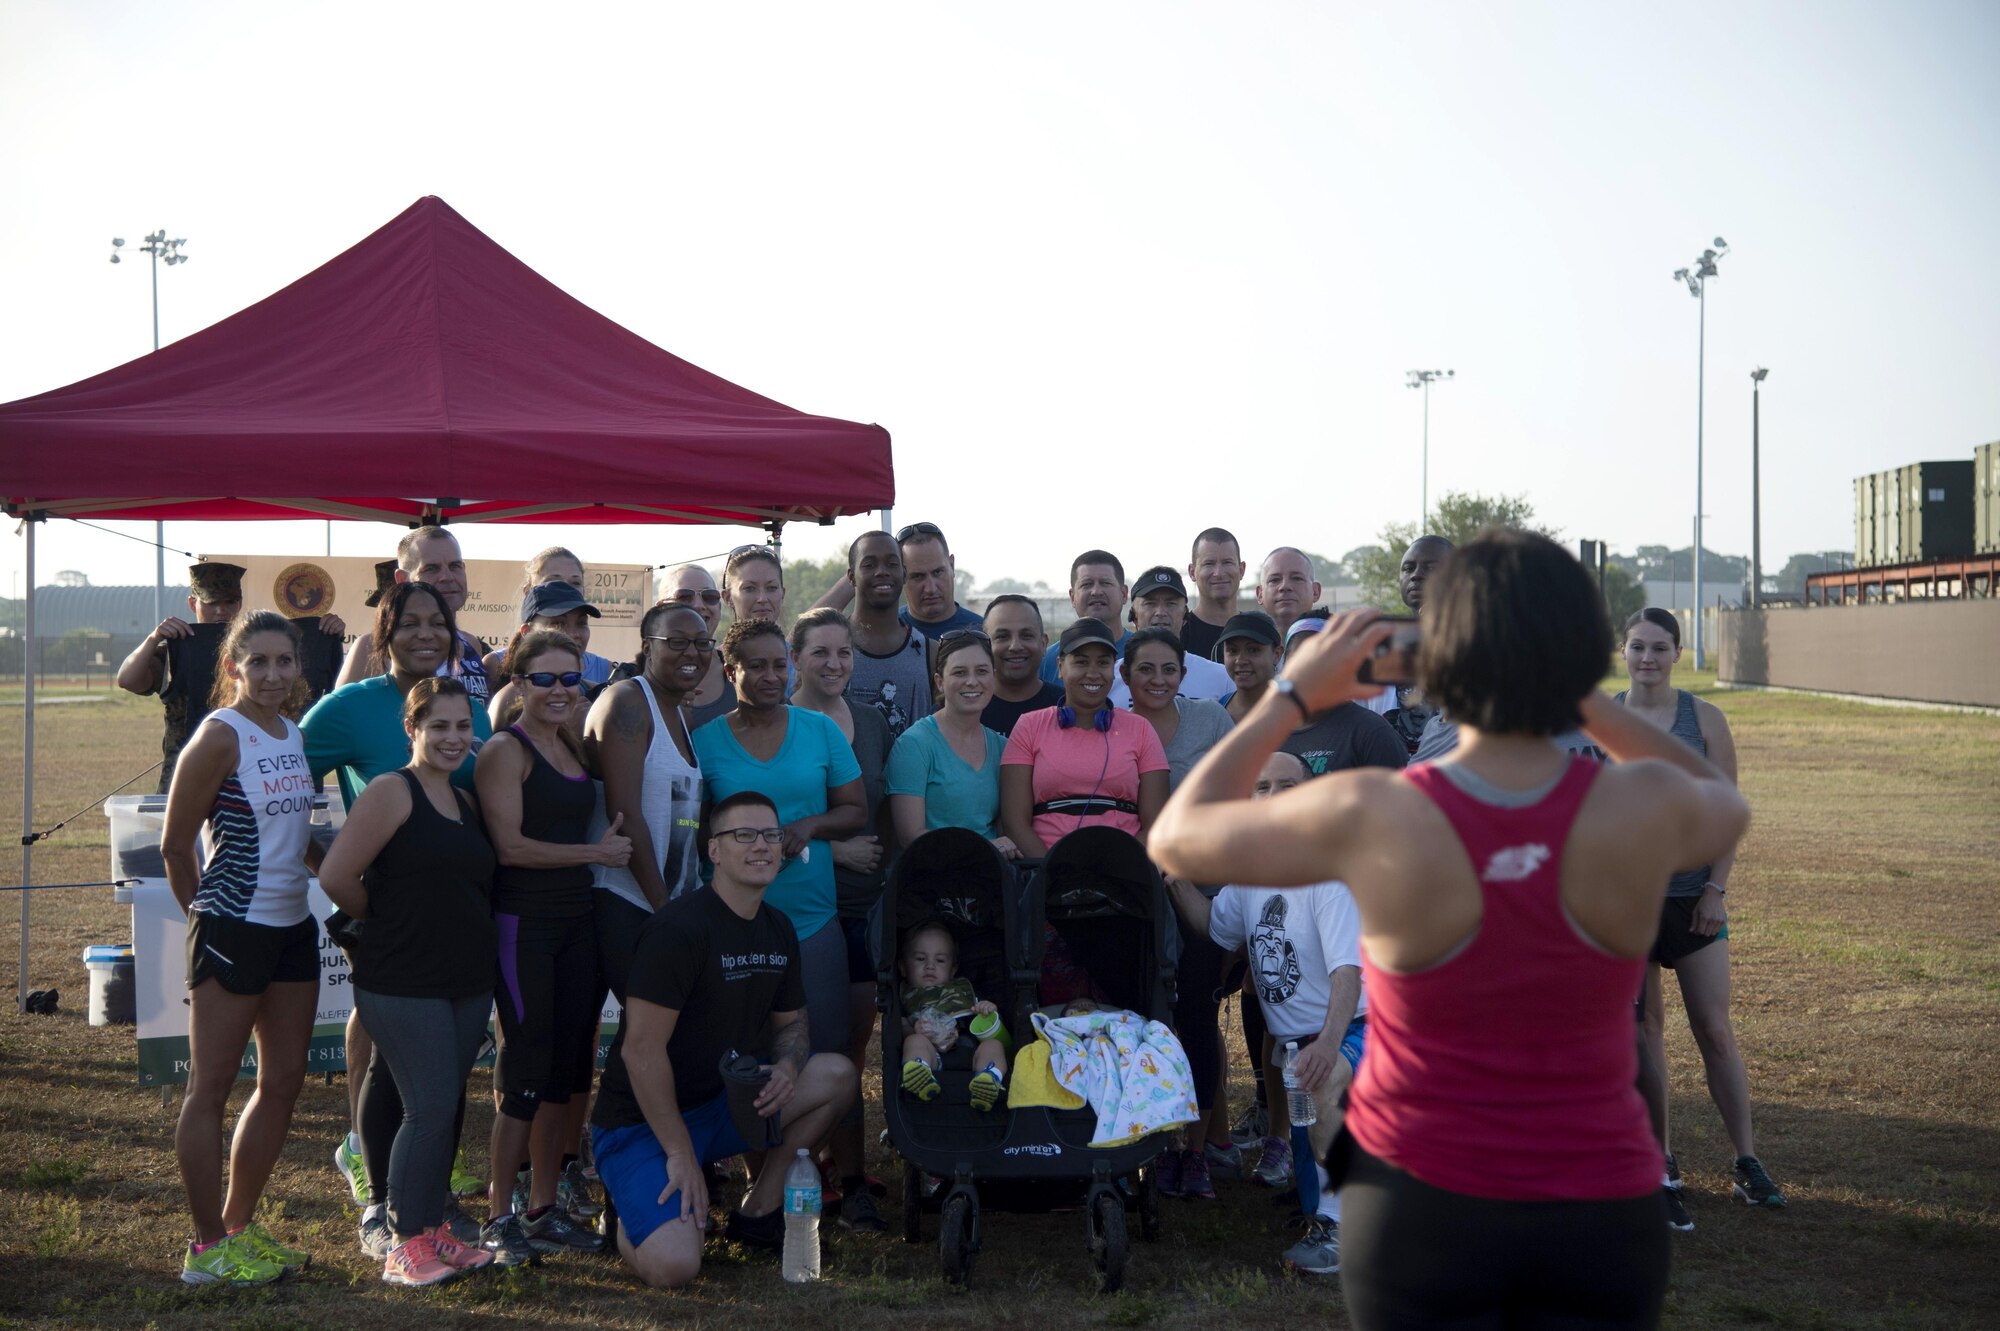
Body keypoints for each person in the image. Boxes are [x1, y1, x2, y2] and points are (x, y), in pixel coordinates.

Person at [1151, 529, 1752, 1329]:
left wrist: (1292, 696)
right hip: (1597, 1199)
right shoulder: (1630, 806)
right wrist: (1580, 693)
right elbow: (1726, 805)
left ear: (1441, 653)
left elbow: (1177, 836)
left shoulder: (1383, 809)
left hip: (1423, 1200)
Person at [589, 791, 860, 1286]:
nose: (762, 846)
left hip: (722, 1106)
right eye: (744, 835)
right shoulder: (678, 929)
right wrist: (678, 1153)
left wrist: (786, 1067)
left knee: (836, 1076)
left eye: (771, 835)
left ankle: (757, 1211)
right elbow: (640, 1050)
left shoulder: (777, 928)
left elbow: (794, 1025)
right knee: (676, 1267)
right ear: (714, 851)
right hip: (643, 1124)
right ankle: (625, 1212)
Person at [303, 581, 492, 1218]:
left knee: (435, 1078)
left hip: (461, 918)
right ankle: (385, 1203)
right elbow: (278, 783)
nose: (423, 634)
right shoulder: (349, 707)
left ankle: (427, 1200)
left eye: (436, 622)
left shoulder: (468, 705)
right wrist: (345, 882)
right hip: (398, 920)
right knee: (399, 1071)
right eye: (407, 622)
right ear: (384, 630)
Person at [160, 611, 321, 1286]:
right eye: (259, 661)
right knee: (211, 1088)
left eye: (284, 661)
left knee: (282, 1081)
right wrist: (207, 919)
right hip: (232, 926)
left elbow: (298, 839)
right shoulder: (219, 735)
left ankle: (236, 1227)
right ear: (233, 667)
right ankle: (204, 1252)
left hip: (292, 929)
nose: (274, 674)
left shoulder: (290, 729)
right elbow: (175, 845)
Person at [1166, 750, 1364, 1276]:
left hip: (1358, 1033)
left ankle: (1347, 1236)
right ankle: (1332, 1216)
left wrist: (1328, 1045)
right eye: (1261, 787)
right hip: (1296, 1046)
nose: (1273, 798)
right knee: (1308, 1175)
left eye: (1286, 786)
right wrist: (1175, 878)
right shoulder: (1251, 874)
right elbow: (1215, 927)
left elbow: (1349, 971)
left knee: (1324, 1086)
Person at [1617, 607, 1784, 1223]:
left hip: (1695, 901)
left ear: (1678, 652)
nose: (1648, 658)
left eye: (1660, 647)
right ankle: (1661, 1160)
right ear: (1624, 650)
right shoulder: (1603, 720)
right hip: (1627, 905)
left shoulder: (1703, 719)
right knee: (1644, 1034)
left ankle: (1746, 1162)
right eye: (1637, 647)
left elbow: (1727, 809)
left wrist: (1717, 890)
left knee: (1714, 1029)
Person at [475, 629, 631, 1264]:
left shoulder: (571, 741)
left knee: (570, 1070)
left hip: (578, 924)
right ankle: (496, 1216)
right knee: (525, 1073)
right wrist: (596, 853)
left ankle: (543, 1207)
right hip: (524, 927)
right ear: (518, 683)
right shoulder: (504, 752)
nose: (561, 690)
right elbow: (508, 847)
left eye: (572, 679)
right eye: (544, 679)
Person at [693, 620, 866, 1165]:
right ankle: (758, 1173)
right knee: (747, 1054)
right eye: (757, 666)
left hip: (812, 920)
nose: (772, 676)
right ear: (730, 672)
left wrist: (811, 826)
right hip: (736, 922)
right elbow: (696, 831)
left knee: (830, 1048)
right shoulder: (705, 742)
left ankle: (850, 1177)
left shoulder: (819, 731)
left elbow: (855, 811)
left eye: (779, 664)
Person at [786, 607, 892, 1232]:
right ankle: (799, 1167)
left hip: (861, 909)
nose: (833, 664)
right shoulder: (781, 725)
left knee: (849, 1048)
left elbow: (879, 812)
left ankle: (847, 1174)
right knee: (795, 1046)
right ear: (797, 659)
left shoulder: (874, 723)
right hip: (797, 909)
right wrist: (831, 848)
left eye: (843, 653)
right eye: (819, 652)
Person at [1122, 626, 1237, 1198]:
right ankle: (1146, 1143)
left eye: (1169, 669)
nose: (1159, 680)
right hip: (1135, 892)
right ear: (1126, 677)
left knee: (1196, 1013)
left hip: (1200, 887)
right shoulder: (1116, 728)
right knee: (1142, 1014)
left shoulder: (1210, 723)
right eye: (1146, 670)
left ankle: (1193, 1150)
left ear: (1184, 675)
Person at [117, 562, 344, 792]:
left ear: (240, 604)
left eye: (229, 602)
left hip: (262, 777)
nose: (220, 611)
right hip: (191, 778)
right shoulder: (178, 649)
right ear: (192, 603)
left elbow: (341, 690)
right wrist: (153, 639)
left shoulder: (264, 647)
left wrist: (326, 636)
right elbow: (128, 679)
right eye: (211, 603)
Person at [583, 603, 709, 1005]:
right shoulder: (629, 702)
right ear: (647, 648)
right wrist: (665, 911)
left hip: (667, 905)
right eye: (676, 642)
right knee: (649, 1033)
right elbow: (625, 815)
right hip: (628, 902)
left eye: (702, 642)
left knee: (654, 1038)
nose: (692, 652)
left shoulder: (678, 712)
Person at [1002, 617, 1170, 858]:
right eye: (1081, 662)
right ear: (1060, 667)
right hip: (1046, 874)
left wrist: (1120, 868)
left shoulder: (1140, 729)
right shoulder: (1029, 726)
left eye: (1102, 663)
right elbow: (1015, 824)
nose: (1093, 674)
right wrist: (1051, 872)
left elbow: (1156, 824)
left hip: (1124, 872)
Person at [888, 630, 1015, 855]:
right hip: (932, 878)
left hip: (989, 878)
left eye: (982, 671)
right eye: (959, 672)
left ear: (993, 678)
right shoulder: (914, 745)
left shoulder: (1003, 746)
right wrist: (981, 849)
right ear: (939, 682)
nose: (972, 681)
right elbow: (910, 837)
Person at [336, 526, 490, 703]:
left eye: (455, 566)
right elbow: (338, 718)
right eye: (431, 569)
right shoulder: (372, 648)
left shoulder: (471, 645)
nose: (447, 577)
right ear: (402, 579)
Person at [897, 922, 1009, 1110]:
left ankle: (988, 1078)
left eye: (940, 960)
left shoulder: (963, 990)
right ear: (902, 967)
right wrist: (912, 1030)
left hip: (972, 1050)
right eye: (920, 959)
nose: (930, 966)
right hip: (933, 1054)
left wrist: (987, 1009)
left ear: (953, 968)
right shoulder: (907, 994)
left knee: (994, 1046)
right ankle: (919, 1070)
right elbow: (898, 1028)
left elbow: (990, 1022)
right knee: (914, 1041)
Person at [1277, 618, 1410, 777]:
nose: (1311, 669)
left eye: (1323, 659)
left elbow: (1396, 797)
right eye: (1301, 660)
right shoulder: (1270, 735)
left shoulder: (1372, 732)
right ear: (1285, 666)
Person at [841, 530, 934, 739]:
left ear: (904, 573)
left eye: (892, 564)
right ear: (851, 577)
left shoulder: (930, 652)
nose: (881, 571)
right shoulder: (833, 647)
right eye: (869, 565)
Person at [482, 547, 617, 685]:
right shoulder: (495, 665)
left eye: (575, 583)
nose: (566, 589)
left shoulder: (608, 672)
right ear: (529, 591)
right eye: (557, 624)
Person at [486, 582, 605, 732]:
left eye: (581, 623)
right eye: (558, 624)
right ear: (527, 632)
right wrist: (567, 731)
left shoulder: (597, 693)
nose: (574, 633)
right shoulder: (506, 700)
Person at [1107, 568, 1231, 707]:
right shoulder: (1109, 679)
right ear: (1133, 615)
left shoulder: (1221, 677)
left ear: (1185, 615)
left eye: (1171, 603)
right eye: (1150, 603)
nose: (1160, 612)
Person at [1381, 535, 1455, 753]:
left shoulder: (1480, 642)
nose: (1416, 576)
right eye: (1408, 568)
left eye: (1430, 568)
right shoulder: (1384, 646)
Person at [1037, 551, 1131, 682]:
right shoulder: (1047, 661)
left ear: (1124, 594)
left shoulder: (1144, 653)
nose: (1096, 592)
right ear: (1072, 596)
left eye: (1105, 583)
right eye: (1086, 584)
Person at [980, 594, 1063, 735]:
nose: (1015, 646)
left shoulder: (1066, 708)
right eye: (1002, 636)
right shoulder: (968, 711)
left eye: (1026, 635)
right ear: (984, 646)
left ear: (1043, 644)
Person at [896, 521, 985, 638]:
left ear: (952, 566)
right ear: (900, 575)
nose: (930, 589)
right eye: (917, 576)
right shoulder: (884, 633)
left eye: (937, 572)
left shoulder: (985, 634)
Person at [1183, 528, 1246, 660]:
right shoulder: (1179, 633)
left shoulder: (1257, 631)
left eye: (1227, 563)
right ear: (1192, 572)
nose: (1218, 573)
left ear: (1241, 569)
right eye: (1209, 564)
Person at [1214, 612, 1283, 724]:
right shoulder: (1215, 712)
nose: (1240, 661)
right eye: (1233, 650)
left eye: (1253, 650)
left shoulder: (1296, 712)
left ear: (1276, 654)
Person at [1254, 547, 1323, 640]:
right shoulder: (1244, 649)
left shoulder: (1337, 646)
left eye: (1297, 578)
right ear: (1260, 594)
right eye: (1275, 580)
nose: (1285, 586)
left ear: (1315, 591)